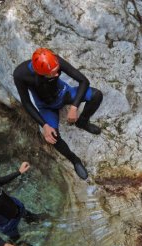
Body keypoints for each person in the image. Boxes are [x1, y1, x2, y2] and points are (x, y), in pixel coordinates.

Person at [13, 48, 104, 180]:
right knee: (52, 137)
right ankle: (74, 160)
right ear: (40, 73)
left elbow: (84, 81)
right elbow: (26, 103)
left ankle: (82, 122)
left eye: (57, 70)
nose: (57, 75)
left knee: (97, 95)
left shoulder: (55, 60)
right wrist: (44, 125)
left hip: (64, 94)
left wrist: (74, 107)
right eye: (52, 73)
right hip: (46, 106)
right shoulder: (21, 74)